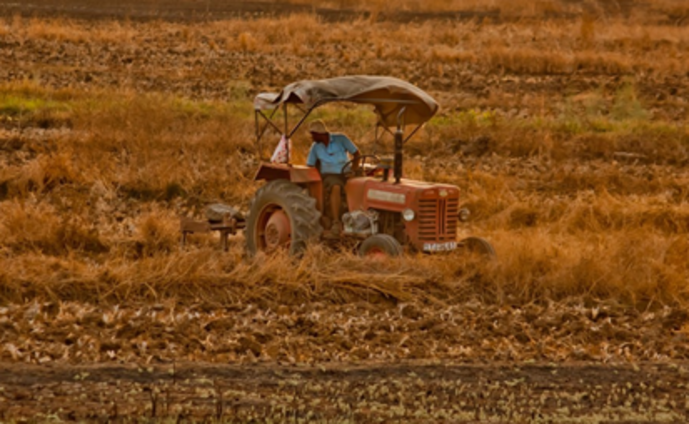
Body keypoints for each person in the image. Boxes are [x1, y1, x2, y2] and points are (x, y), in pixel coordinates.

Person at [306, 120, 360, 236]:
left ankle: (360, 218)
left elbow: (356, 154)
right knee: (336, 186)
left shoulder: (341, 139)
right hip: (329, 175)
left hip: (346, 172)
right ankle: (336, 222)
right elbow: (310, 165)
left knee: (361, 183)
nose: (312, 137)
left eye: (313, 134)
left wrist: (354, 170)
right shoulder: (315, 147)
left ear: (319, 134)